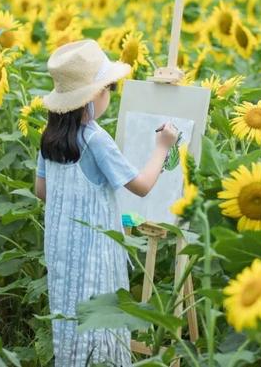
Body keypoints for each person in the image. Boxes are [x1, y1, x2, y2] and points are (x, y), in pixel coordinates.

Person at [33, 39, 178, 366]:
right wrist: (162, 147)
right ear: (94, 96)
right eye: (108, 89)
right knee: (99, 323)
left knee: (69, 315)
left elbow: (42, 192)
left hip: (60, 250)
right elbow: (140, 186)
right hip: (95, 254)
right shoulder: (96, 138)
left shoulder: (50, 138)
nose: (109, 95)